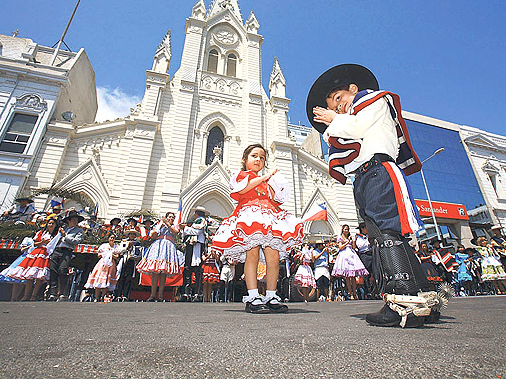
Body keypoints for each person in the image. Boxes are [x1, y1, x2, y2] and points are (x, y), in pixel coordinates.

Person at [308, 64, 445, 327]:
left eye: (339, 99)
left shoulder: (373, 101)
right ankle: (421, 299)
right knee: (381, 234)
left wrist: (335, 119)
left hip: (379, 171)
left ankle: (403, 299)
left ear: (353, 89)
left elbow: (356, 127)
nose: (338, 108)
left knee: (386, 233)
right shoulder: (350, 115)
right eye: (335, 107)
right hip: (364, 176)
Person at [212, 143, 303, 313]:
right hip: (250, 215)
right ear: (245, 159)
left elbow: (276, 199)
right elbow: (242, 189)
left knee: (273, 256)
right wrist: (265, 177)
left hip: (268, 215)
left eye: (262, 158)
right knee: (251, 254)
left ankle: (271, 295)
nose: (258, 160)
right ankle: (253, 296)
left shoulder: (267, 181)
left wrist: (276, 185)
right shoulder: (241, 175)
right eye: (254, 156)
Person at [8, 217, 63, 301]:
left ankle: (33, 296)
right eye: (49, 223)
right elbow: (35, 244)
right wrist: (42, 242)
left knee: (40, 277)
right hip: (38, 253)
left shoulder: (56, 235)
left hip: (48, 254)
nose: (51, 225)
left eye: (53, 223)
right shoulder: (42, 233)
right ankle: (26, 296)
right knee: (31, 275)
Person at [136, 212, 182, 302]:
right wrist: (160, 226)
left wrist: (168, 224)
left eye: (173, 217)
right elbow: (152, 235)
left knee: (163, 272)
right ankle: (152, 295)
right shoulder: (159, 225)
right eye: (169, 217)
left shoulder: (174, 226)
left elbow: (175, 232)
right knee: (155, 271)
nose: (171, 219)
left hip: (168, 247)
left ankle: (160, 295)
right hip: (158, 246)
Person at [48, 210, 85, 301]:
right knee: (53, 271)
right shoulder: (63, 228)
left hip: (66, 251)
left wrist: (65, 236)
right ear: (69, 220)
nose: (76, 221)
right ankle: (52, 293)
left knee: (63, 271)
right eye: (74, 219)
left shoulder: (79, 231)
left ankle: (62, 293)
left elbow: (76, 241)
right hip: (56, 250)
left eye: (76, 220)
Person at [332, 225, 367, 300]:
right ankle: (350, 292)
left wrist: (353, 241)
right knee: (347, 276)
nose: (346, 231)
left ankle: (354, 293)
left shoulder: (350, 237)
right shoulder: (340, 237)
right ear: (342, 230)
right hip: (344, 255)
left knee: (353, 276)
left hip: (351, 254)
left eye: (347, 229)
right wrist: (346, 242)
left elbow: (354, 247)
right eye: (345, 229)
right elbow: (340, 247)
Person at [181, 207, 209, 302]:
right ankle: (187, 293)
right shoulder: (196, 221)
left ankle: (196, 293)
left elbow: (197, 231)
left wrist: (185, 228)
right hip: (191, 244)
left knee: (196, 269)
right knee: (188, 268)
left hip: (197, 245)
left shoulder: (201, 221)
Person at [85, 234, 122, 301]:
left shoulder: (116, 247)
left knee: (107, 280)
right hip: (102, 264)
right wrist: (105, 254)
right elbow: (99, 255)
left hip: (111, 264)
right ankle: (96, 297)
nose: (112, 239)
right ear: (108, 238)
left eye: (113, 238)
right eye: (111, 237)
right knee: (99, 280)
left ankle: (103, 297)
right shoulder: (104, 246)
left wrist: (110, 254)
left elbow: (117, 257)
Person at [0, 235, 34, 301]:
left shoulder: (40, 238)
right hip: (24, 258)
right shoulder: (28, 239)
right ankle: (13, 298)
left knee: (23, 281)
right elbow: (22, 249)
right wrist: (30, 246)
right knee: (16, 279)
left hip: (33, 258)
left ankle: (19, 297)